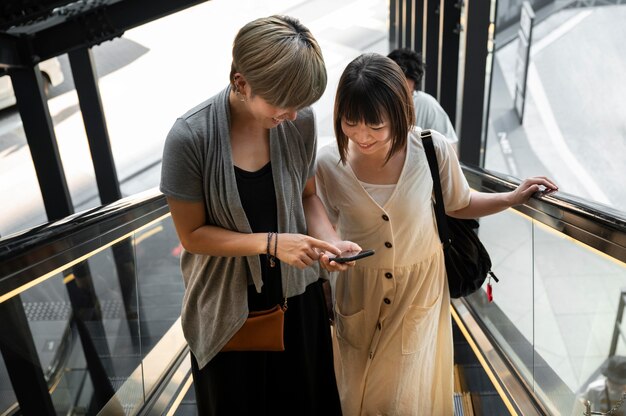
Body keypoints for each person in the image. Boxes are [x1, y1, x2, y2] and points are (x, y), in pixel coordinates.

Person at [315, 53, 558, 415]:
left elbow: (459, 204)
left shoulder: (430, 149)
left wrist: (512, 197)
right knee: (356, 386)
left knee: (401, 396)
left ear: (400, 112)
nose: (362, 135)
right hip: (358, 292)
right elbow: (318, 215)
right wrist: (330, 249)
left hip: (418, 289)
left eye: (375, 126)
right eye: (351, 123)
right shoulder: (328, 162)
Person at [160, 15, 360, 415]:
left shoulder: (298, 121)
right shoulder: (189, 138)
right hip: (228, 312)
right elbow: (193, 235)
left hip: (297, 301)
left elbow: (308, 198)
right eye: (282, 104)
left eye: (300, 105)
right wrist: (271, 244)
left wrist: (330, 243)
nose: (291, 115)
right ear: (240, 83)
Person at [387, 48, 459, 149]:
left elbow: (450, 147)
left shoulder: (426, 103)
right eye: (396, 92)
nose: (401, 99)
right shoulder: (372, 102)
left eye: (408, 94)